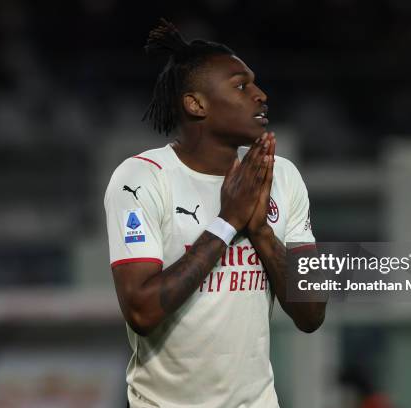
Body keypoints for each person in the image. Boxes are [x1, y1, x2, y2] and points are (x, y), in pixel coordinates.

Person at [104, 18, 327, 408]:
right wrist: (227, 223)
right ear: (196, 103)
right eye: (241, 86)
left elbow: (311, 314)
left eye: (254, 83)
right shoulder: (140, 179)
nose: (260, 95)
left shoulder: (282, 176)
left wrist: (260, 232)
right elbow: (141, 310)